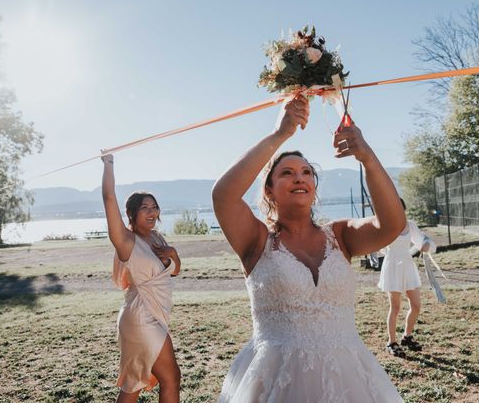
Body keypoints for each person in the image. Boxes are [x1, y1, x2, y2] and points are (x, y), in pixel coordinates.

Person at [212, 94, 407, 402]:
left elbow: (392, 224)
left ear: (314, 186)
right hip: (277, 380)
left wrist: (367, 157)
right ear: (269, 189)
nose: (299, 178)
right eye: (286, 173)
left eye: (306, 172)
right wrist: (280, 135)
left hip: (349, 377)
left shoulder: (340, 236)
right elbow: (223, 195)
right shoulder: (256, 240)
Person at [101, 153, 182, 403]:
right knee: (171, 378)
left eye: (154, 207)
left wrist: (174, 255)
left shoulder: (157, 238)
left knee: (133, 384)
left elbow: (174, 271)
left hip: (156, 314)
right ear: (131, 213)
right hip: (140, 316)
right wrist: (108, 163)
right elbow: (108, 198)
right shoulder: (126, 241)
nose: (151, 212)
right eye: (144, 208)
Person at [378, 198, 436, 357]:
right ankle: (391, 342)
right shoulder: (385, 226)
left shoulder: (410, 225)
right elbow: (379, 248)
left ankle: (407, 336)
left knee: (416, 305)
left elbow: (424, 239)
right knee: (395, 307)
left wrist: (426, 244)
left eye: (399, 209)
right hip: (392, 268)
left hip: (408, 267)